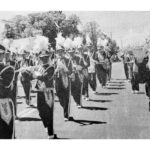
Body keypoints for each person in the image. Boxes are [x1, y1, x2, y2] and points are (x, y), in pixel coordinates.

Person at [33, 49, 56, 139]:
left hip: (48, 92)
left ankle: (50, 133)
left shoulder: (51, 67)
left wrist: (35, 75)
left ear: (49, 58)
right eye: (42, 58)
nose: (44, 59)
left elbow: (45, 77)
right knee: (40, 111)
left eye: (46, 57)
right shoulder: (38, 67)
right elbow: (32, 75)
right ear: (39, 58)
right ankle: (47, 125)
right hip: (40, 92)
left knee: (49, 113)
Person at [0, 45, 15, 139]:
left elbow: (4, 84)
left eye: (0, 54)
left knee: (5, 134)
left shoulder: (8, 69)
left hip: (2, 104)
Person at [55, 48, 72, 121]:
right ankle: (65, 107)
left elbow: (70, 71)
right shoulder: (55, 61)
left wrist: (65, 69)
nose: (59, 53)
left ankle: (66, 114)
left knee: (66, 97)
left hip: (65, 80)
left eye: (61, 52)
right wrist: (56, 70)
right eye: (58, 52)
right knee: (60, 97)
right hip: (58, 81)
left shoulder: (68, 60)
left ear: (63, 52)